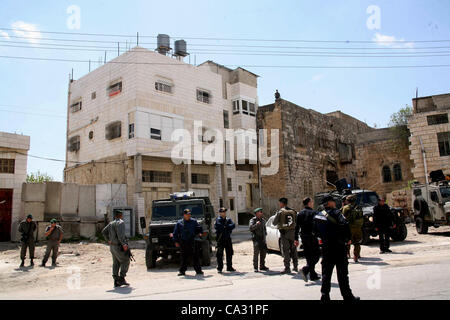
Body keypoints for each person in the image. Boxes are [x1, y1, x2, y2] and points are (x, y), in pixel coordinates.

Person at [314, 195, 359, 301]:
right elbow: (344, 224)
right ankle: (347, 296)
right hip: (338, 247)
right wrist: (347, 239)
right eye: (333, 201)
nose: (334, 203)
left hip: (326, 248)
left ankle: (325, 296)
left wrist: (325, 237)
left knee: (326, 274)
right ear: (329, 203)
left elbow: (315, 231)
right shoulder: (336, 213)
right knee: (342, 274)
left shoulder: (319, 215)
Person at [102, 211, 131, 287]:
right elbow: (120, 235)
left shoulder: (111, 223)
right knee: (126, 260)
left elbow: (103, 232)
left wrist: (108, 240)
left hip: (112, 246)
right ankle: (121, 278)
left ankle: (116, 280)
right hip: (118, 246)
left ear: (115, 216)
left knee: (116, 263)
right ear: (121, 215)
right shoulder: (121, 223)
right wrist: (124, 244)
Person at [295, 198, 321, 281]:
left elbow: (297, 227)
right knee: (316, 255)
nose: (313, 203)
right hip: (312, 236)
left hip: (303, 236)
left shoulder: (300, 214)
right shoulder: (314, 213)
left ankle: (313, 275)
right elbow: (317, 225)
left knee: (309, 256)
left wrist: (296, 238)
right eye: (312, 202)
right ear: (309, 203)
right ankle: (306, 269)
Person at [173, 209, 204, 276]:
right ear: (184, 215)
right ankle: (182, 271)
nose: (188, 215)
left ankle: (198, 270)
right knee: (184, 257)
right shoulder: (179, 223)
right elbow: (175, 233)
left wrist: (200, 233)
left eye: (189, 214)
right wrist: (176, 241)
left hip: (192, 241)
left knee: (195, 256)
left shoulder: (193, 221)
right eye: (187, 214)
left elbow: (198, 228)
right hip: (183, 242)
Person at [273, 197, 298, 274]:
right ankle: (295, 266)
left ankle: (287, 267)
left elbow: (274, 222)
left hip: (284, 233)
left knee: (286, 250)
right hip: (293, 233)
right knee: (294, 250)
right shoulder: (293, 211)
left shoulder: (280, 212)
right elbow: (296, 222)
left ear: (281, 203)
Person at [342, 194, 364, 262]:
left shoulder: (346, 207)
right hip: (358, 228)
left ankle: (347, 254)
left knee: (347, 242)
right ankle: (356, 256)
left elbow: (343, 217)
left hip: (349, 228)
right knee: (357, 242)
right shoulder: (359, 207)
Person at [214, 207, 236, 273]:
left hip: (227, 238)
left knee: (229, 253)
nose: (224, 213)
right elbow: (220, 227)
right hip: (220, 239)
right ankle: (220, 268)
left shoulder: (228, 219)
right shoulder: (218, 220)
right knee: (220, 254)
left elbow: (233, 225)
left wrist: (226, 227)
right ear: (220, 213)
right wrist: (227, 227)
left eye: (224, 212)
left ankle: (229, 267)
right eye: (223, 212)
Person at [249, 208, 269, 272]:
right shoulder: (253, 220)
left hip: (262, 239)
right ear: (257, 213)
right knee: (256, 253)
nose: (261, 213)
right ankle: (255, 267)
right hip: (256, 239)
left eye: (261, 212)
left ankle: (262, 266)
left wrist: (265, 236)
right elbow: (251, 228)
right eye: (260, 212)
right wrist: (256, 225)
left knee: (263, 253)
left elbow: (264, 229)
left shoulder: (263, 220)